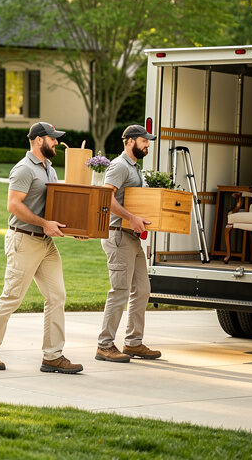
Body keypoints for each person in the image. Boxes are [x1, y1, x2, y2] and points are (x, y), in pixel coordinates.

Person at [0, 121, 84, 374]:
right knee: (12, 297)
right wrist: (44, 223)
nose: (56, 142)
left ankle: (53, 356)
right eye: (52, 138)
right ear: (38, 140)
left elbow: (54, 207)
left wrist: (75, 229)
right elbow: (14, 205)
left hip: (45, 243)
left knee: (57, 296)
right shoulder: (24, 169)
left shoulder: (50, 169)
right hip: (23, 240)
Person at [94, 124, 163, 362]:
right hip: (118, 235)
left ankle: (133, 343)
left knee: (142, 290)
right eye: (145, 141)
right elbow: (106, 197)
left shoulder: (135, 167)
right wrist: (131, 218)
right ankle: (104, 345)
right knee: (120, 291)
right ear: (131, 141)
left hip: (131, 237)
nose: (148, 145)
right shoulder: (119, 166)